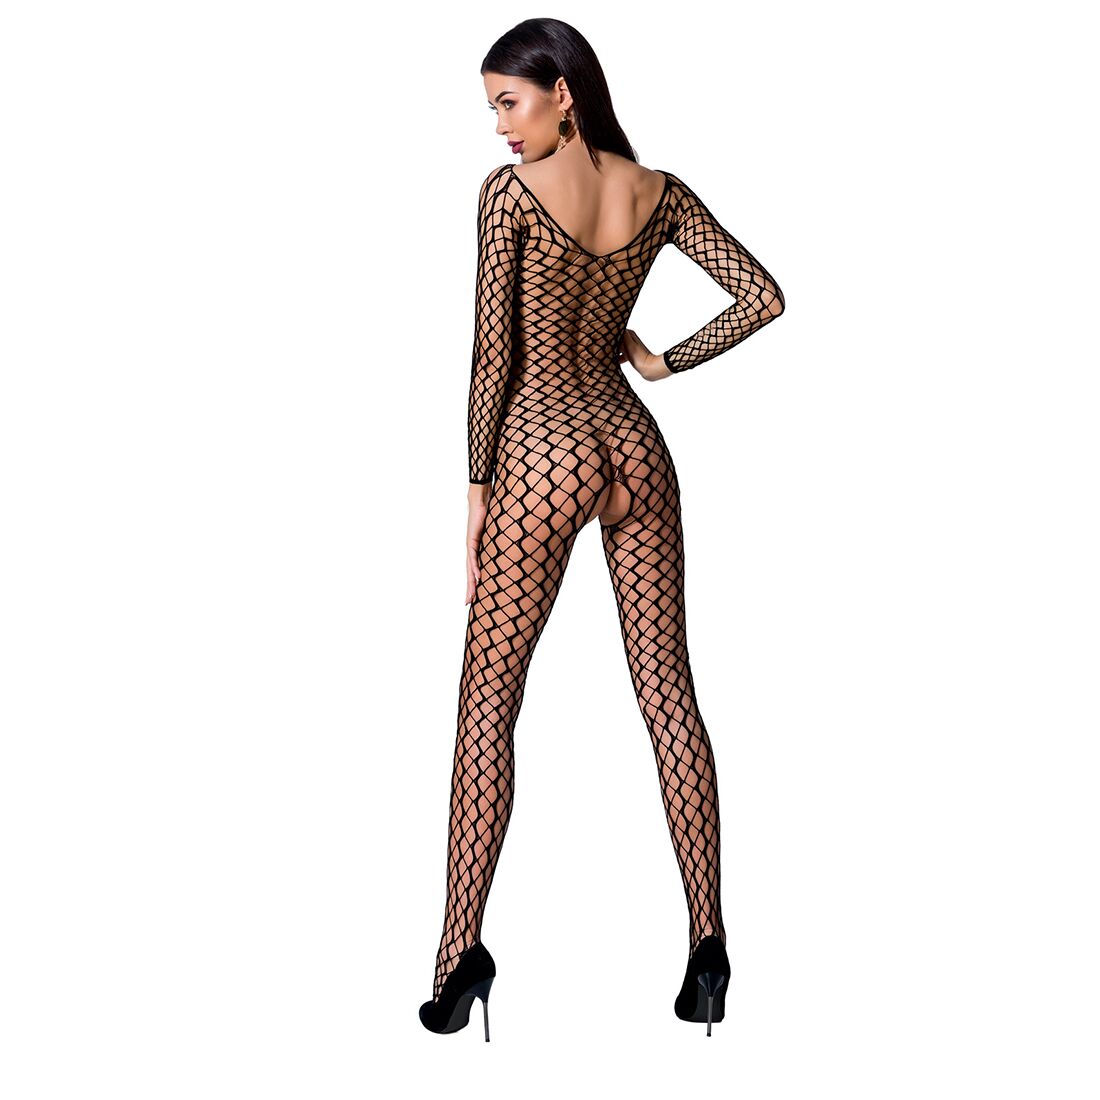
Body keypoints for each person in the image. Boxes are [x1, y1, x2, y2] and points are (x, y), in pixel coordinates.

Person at [420, 18, 785, 1041]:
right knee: (669, 695)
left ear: (563, 93)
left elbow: (492, 358)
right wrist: (661, 362)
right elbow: (762, 297)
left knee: (486, 705)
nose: (499, 127)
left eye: (509, 102)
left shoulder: (509, 198)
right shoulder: (656, 192)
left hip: (541, 448)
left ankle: (458, 953)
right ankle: (707, 943)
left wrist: (475, 491)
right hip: (634, 446)